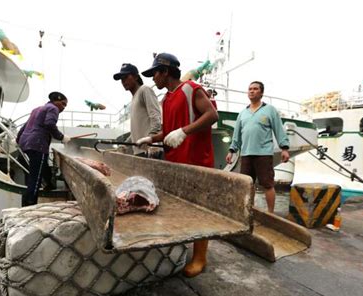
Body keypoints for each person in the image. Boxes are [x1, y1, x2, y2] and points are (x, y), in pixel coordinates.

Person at [137, 53, 218, 277]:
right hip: (175, 161)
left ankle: (200, 257)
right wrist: (151, 139)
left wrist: (185, 131)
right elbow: (170, 130)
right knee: (180, 209)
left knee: (199, 210)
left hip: (196, 161)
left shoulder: (191, 88)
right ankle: (181, 248)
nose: (153, 79)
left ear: (165, 71)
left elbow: (212, 115)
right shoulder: (166, 100)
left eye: (154, 73)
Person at [225, 81, 290, 213]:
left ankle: (270, 213)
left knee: (268, 184)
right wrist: (231, 151)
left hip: (263, 154)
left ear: (261, 93)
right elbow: (237, 135)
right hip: (246, 154)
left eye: (255, 89)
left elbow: (279, 129)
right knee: (247, 185)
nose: (251, 91)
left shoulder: (270, 110)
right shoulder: (242, 113)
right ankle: (249, 211)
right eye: (250, 89)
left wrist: (284, 148)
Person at [16, 92, 71, 206]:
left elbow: (24, 127)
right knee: (35, 179)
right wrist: (61, 137)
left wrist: (17, 140)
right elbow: (50, 124)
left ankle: (50, 184)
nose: (64, 107)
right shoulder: (53, 108)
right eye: (63, 104)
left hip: (25, 144)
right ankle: (30, 205)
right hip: (37, 145)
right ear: (56, 101)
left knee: (41, 167)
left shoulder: (37, 109)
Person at [113, 63, 162, 158]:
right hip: (140, 151)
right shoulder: (134, 99)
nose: (123, 81)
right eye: (121, 79)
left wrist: (152, 142)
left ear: (135, 77)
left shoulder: (145, 90)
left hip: (150, 151)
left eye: (126, 77)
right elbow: (136, 131)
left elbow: (156, 117)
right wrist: (125, 145)